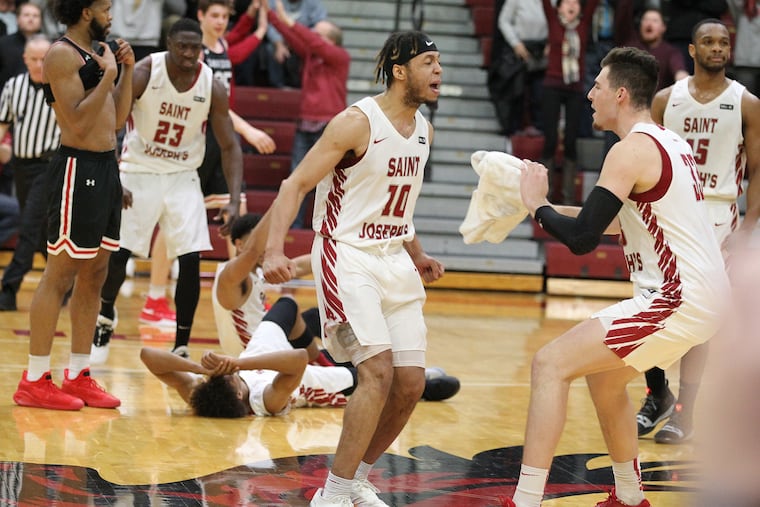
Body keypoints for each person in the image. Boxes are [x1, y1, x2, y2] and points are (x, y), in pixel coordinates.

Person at [505, 46, 728, 507]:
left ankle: (523, 500)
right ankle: (629, 496)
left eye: (598, 86)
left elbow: (584, 237)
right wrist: (528, 210)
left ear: (621, 94)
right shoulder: (669, 142)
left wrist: (538, 205)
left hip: (678, 298)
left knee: (549, 364)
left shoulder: (629, 152)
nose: (589, 94)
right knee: (604, 379)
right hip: (700, 296)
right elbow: (608, 221)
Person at [262, 30, 445, 507]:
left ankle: (356, 479)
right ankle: (333, 494)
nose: (439, 71)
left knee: (411, 383)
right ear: (400, 70)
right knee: (377, 373)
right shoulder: (356, 122)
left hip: (394, 258)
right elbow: (294, 184)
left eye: (439, 62)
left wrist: (418, 252)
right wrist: (274, 251)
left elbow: (398, 208)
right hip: (347, 255)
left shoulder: (424, 130)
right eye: (428, 62)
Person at [635, 18, 760, 444]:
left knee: (699, 317)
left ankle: (684, 411)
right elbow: (643, 159)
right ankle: (658, 394)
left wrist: (749, 228)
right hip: (668, 215)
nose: (717, 49)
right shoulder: (666, 101)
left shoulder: (747, 103)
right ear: (691, 50)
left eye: (723, 43)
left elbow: (758, 171)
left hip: (719, 219)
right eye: (707, 41)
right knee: (648, 307)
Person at [91, 18, 243, 363]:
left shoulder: (212, 85)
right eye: (183, 47)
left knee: (190, 258)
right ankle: (105, 314)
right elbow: (112, 121)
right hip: (138, 170)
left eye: (196, 47)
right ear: (169, 44)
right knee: (120, 253)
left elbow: (231, 146)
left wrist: (234, 200)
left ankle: (182, 342)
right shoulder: (147, 71)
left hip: (182, 174)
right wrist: (114, 176)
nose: (190, 54)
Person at [12, 0, 134, 411]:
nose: (111, 16)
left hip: (106, 166)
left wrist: (126, 71)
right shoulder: (61, 55)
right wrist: (109, 76)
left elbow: (116, 120)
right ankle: (34, 379)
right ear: (86, 12)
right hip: (77, 167)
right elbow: (78, 122)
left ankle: (78, 374)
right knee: (60, 273)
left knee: (96, 272)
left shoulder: (99, 55)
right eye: (105, 8)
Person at [139, 0, 276, 329]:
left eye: (225, 16)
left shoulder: (223, 43)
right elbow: (215, 107)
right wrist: (247, 129)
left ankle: (245, 293)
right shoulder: (194, 55)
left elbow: (239, 31)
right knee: (174, 225)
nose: (221, 21)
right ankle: (156, 297)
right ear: (199, 17)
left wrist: (258, 20)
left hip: (220, 144)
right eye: (214, 15)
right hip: (198, 141)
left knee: (238, 218)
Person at [266, 0, 349, 228]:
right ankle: (292, 228)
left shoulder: (340, 56)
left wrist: (289, 20)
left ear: (330, 41)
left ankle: (331, 227)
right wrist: (270, 14)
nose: (311, 35)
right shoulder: (312, 55)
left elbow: (307, 39)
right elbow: (293, 38)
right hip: (305, 123)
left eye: (318, 33)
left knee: (331, 181)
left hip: (329, 126)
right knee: (296, 179)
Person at [0, 35, 60, 312]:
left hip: (49, 166)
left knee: (27, 227)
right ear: (25, 59)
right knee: (39, 232)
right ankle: (64, 284)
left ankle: (8, 288)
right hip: (20, 167)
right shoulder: (13, 87)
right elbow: (3, 126)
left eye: (43, 59)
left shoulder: (61, 87)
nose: (39, 64)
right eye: (33, 59)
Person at [540, 0, 600, 204]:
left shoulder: (583, 25)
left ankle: (568, 198)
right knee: (549, 140)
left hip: (574, 88)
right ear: (559, 8)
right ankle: (544, 195)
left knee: (571, 142)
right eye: (567, 2)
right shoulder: (553, 22)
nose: (571, 5)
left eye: (575, 2)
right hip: (552, 86)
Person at [0, 1, 42, 88]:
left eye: (35, 16)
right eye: (26, 15)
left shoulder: (49, 45)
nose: (31, 19)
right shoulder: (3, 44)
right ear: (17, 19)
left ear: (41, 21)